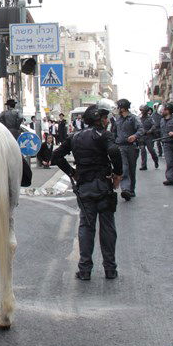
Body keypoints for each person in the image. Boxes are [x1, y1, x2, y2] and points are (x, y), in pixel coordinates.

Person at [51, 102, 123, 280]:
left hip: (84, 187)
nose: (107, 121)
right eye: (105, 117)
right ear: (98, 119)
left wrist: (72, 173)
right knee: (107, 228)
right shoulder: (104, 135)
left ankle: (84, 270)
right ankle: (110, 269)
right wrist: (118, 174)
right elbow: (114, 150)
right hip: (103, 187)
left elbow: (56, 156)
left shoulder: (74, 137)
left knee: (86, 227)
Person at [110, 99, 142, 201]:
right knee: (124, 168)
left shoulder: (133, 118)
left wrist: (135, 136)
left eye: (119, 107)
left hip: (131, 147)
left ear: (123, 108)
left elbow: (141, 129)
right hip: (120, 147)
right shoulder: (117, 119)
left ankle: (131, 190)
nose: (118, 109)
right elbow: (114, 133)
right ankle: (125, 189)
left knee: (132, 169)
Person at [139, 105, 159, 170]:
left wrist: (150, 131)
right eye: (141, 110)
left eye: (143, 110)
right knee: (142, 150)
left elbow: (154, 125)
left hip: (148, 136)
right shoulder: (139, 118)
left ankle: (156, 160)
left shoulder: (150, 118)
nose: (142, 112)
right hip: (142, 136)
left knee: (151, 150)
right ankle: (144, 165)